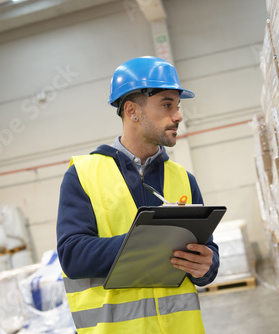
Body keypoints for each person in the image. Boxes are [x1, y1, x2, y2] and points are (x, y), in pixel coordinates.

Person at [56, 56, 220, 333]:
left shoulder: (183, 179)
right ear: (132, 110)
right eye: (167, 105)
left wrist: (207, 265)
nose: (178, 115)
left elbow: (208, 252)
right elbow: (73, 255)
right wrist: (146, 243)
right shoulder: (83, 175)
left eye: (178, 106)